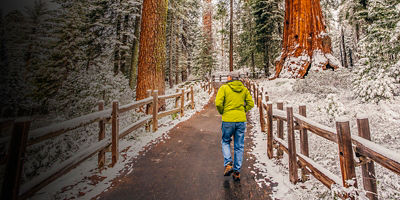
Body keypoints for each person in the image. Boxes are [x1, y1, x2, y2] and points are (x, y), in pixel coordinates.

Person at [215, 72, 254, 181]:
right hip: (241, 120)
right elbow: (250, 103)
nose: (227, 77)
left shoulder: (224, 88)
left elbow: (218, 103)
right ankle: (237, 171)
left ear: (231, 78)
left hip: (227, 120)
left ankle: (228, 163)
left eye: (228, 76)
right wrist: (242, 111)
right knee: (239, 146)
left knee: (225, 141)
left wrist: (223, 112)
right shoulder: (244, 89)